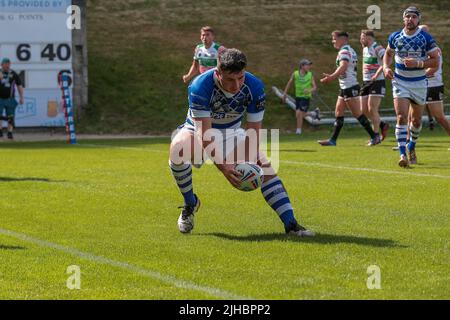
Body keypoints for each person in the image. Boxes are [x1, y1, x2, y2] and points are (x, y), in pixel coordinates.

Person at [169, 48, 315, 237]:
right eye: (230, 79)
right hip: (196, 129)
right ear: (218, 73)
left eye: (240, 78)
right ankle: (190, 203)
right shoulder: (199, 86)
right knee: (177, 149)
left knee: (264, 167)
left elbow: (254, 130)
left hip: (231, 131)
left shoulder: (254, 87)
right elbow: (203, 133)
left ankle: (292, 225)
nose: (236, 85)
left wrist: (251, 160)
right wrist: (224, 168)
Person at [383, 7, 439, 167]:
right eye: (407, 16)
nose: (410, 19)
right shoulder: (395, 36)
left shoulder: (425, 38)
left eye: (413, 17)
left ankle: (412, 147)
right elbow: (388, 53)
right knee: (401, 116)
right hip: (400, 81)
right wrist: (386, 67)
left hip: (419, 82)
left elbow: (435, 61)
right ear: (403, 19)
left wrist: (418, 63)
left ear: (418, 20)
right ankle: (402, 155)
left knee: (416, 120)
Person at [318, 31, 378, 146]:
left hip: (349, 86)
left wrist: (331, 77)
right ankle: (333, 140)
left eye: (334, 39)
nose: (333, 41)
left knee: (358, 114)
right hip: (345, 86)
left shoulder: (344, 51)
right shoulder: (348, 49)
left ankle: (375, 136)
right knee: (338, 112)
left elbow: (343, 66)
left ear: (342, 39)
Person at [359, 30, 389, 142]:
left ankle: (375, 136)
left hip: (377, 81)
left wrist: (377, 74)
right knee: (364, 110)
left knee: (372, 109)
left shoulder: (377, 48)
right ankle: (382, 125)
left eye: (362, 38)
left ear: (369, 38)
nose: (360, 40)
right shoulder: (364, 49)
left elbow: (387, 61)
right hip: (366, 82)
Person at [421, 25, 450, 136]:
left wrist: (420, 75)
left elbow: (435, 67)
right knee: (411, 116)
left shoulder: (434, 49)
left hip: (434, 85)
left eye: (423, 33)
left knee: (439, 117)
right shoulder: (418, 48)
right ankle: (405, 143)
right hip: (420, 85)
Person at [282, 59, 319, 135]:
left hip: (306, 98)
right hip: (298, 97)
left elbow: (315, 87)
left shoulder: (310, 74)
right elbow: (289, 83)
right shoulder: (295, 74)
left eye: (309, 65)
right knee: (298, 115)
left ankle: (298, 131)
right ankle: (313, 113)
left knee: (299, 113)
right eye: (307, 65)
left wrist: (309, 90)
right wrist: (284, 94)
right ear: (302, 66)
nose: (309, 66)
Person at [0, 58, 24, 140]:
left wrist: (21, 97)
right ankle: (0, 131)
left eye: (8, 63)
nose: (7, 65)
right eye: (5, 63)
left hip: (10, 98)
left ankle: (9, 132)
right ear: (2, 64)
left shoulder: (13, 74)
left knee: (11, 116)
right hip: (0, 98)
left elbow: (19, 86)